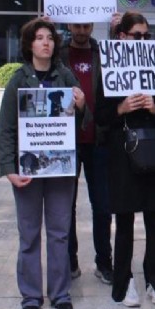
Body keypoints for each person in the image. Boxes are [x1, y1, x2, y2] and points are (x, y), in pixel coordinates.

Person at [0, 17, 86, 309]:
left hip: (60, 170)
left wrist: (82, 105)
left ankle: (60, 293)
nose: (45, 42)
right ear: (29, 44)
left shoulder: (66, 77)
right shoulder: (18, 80)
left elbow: (80, 124)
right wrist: (8, 168)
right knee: (30, 234)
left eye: (49, 37)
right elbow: (5, 129)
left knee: (59, 233)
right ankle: (31, 296)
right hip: (28, 170)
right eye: (39, 38)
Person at [94, 11, 155, 307]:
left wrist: (154, 108)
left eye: (146, 36)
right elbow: (100, 116)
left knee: (154, 218)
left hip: (151, 146)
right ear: (122, 37)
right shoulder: (108, 69)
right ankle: (124, 281)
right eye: (137, 35)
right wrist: (122, 108)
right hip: (121, 150)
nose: (142, 41)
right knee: (124, 220)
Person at [60, 22, 113, 284]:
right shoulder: (58, 53)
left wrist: (116, 31)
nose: (82, 30)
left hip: (98, 139)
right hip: (64, 140)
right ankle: (70, 262)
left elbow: (124, 68)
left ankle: (104, 262)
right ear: (69, 25)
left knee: (103, 205)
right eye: (77, 26)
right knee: (65, 206)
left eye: (86, 26)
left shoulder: (103, 53)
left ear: (92, 26)